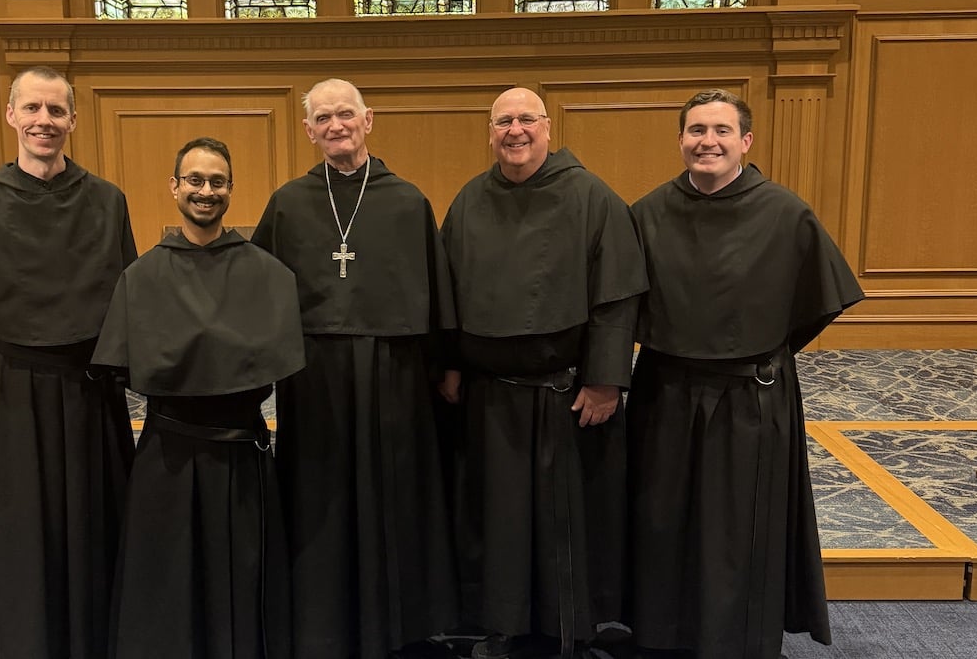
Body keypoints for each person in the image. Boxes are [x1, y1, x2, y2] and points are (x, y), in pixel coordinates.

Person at [626, 89, 864, 659]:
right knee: (662, 520)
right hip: (668, 391)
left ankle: (741, 640)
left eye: (722, 131)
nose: (707, 141)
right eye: (696, 130)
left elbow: (817, 302)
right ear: (680, 139)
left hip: (751, 395)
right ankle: (661, 635)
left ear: (746, 141)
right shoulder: (647, 213)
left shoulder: (784, 212)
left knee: (739, 527)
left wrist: (760, 350)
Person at [0, 66, 138, 659]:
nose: (45, 121)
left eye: (56, 110)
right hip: (14, 393)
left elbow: (124, 304)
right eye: (33, 109)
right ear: (11, 115)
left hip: (90, 391)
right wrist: (5, 380)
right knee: (21, 531)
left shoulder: (107, 202)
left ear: (73, 120)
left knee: (94, 524)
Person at [251, 78, 459, 659]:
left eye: (346, 114)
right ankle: (320, 619)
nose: (336, 125)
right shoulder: (289, 202)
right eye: (323, 118)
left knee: (394, 492)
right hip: (314, 376)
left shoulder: (407, 200)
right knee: (319, 496)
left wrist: (447, 366)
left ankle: (397, 620)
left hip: (394, 373)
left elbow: (439, 299)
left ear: (368, 120)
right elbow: (258, 289)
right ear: (308, 130)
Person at [438, 87, 648, 659]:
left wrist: (605, 380)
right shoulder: (470, 200)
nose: (515, 131)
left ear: (547, 127)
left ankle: (570, 629)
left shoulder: (591, 197)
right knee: (499, 521)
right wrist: (451, 365)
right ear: (490, 132)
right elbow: (447, 293)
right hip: (490, 396)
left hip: (569, 395)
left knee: (567, 522)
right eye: (503, 121)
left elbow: (617, 298)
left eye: (526, 119)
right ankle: (502, 623)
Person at [92, 137, 305, 659]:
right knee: (167, 579)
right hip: (167, 454)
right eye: (194, 180)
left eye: (217, 182)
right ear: (174, 187)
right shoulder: (141, 277)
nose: (205, 191)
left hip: (242, 454)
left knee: (242, 574)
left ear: (231, 189)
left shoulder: (268, 274)